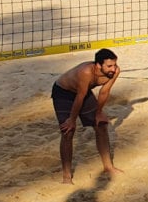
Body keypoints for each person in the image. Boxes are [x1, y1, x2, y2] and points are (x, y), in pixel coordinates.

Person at [51, 49, 123, 184]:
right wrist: (72, 120)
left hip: (82, 92)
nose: (113, 69)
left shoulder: (115, 72)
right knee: (68, 131)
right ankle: (67, 176)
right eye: (109, 66)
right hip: (63, 93)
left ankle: (108, 167)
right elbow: (80, 97)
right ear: (98, 65)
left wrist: (99, 113)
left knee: (101, 125)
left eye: (114, 65)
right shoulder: (86, 72)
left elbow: (104, 92)